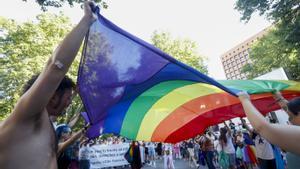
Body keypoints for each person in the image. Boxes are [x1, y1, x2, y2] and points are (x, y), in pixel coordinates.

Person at [0, 2, 96, 169]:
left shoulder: (46, 126)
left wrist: (84, 129)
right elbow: (54, 67)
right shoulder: (28, 115)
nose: (69, 104)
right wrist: (86, 20)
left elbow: (55, 151)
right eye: (67, 99)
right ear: (52, 97)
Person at [238, 91, 300, 168]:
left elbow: (263, 127)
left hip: (269, 155)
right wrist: (279, 99)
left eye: (290, 117)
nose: (290, 120)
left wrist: (245, 100)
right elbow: (292, 109)